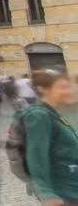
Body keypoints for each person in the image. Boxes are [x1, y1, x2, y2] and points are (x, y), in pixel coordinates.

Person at [22, 70, 78, 205]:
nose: (68, 91)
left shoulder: (55, 115)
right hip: (64, 193)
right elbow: (36, 155)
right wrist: (45, 192)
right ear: (43, 90)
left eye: (68, 87)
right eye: (62, 87)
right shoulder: (40, 116)